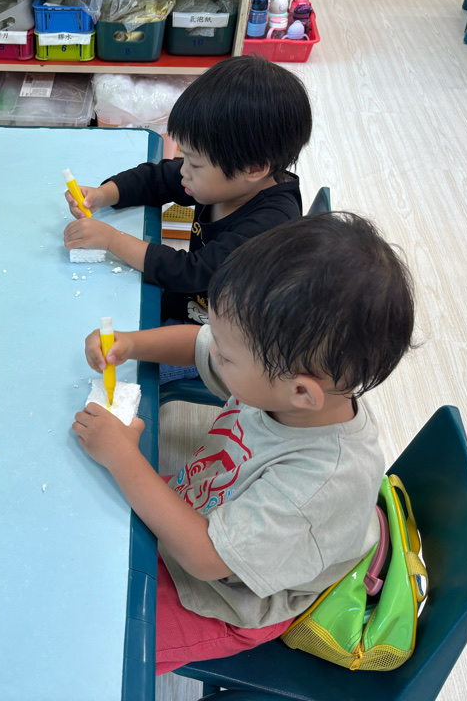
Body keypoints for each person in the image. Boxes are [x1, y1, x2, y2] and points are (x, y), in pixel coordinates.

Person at [72, 213, 415, 674]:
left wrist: (122, 457)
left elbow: (205, 559)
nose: (214, 354)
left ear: (301, 392)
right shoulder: (286, 384)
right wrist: (130, 344)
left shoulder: (318, 484)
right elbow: (200, 343)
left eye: (226, 356)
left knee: (95, 647)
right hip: (206, 508)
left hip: (223, 596)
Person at [64, 55, 311, 328]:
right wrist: (102, 194)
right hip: (187, 301)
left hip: (215, 338)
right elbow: (157, 178)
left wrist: (112, 240)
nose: (184, 170)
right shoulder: (229, 181)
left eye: (195, 163)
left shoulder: (268, 227)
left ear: (253, 168)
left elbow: (191, 271)